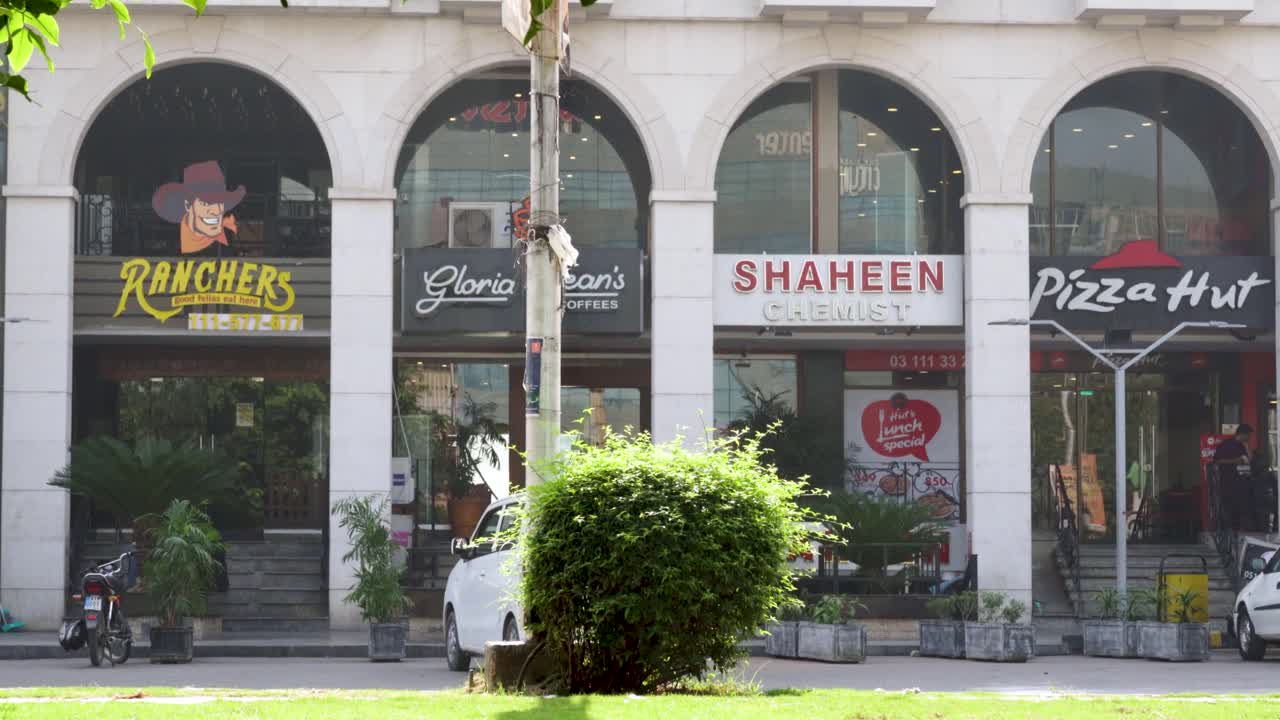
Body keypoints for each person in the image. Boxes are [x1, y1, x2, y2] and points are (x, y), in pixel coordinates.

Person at [1214, 424, 1254, 531]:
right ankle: (1228, 531)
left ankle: (1237, 531)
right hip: (1229, 482)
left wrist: (1246, 446)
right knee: (1229, 508)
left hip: (1242, 482)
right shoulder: (1226, 445)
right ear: (1242, 434)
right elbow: (1218, 461)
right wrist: (1234, 461)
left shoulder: (1243, 445)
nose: (1249, 437)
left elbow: (1250, 459)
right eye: (1248, 435)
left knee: (1241, 509)